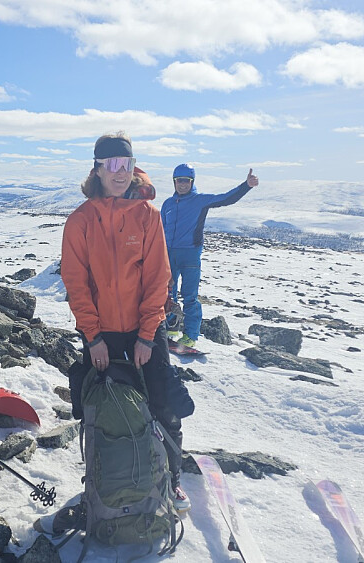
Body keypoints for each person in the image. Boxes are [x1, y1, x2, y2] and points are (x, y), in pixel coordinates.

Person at [61, 132, 190, 512]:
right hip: (101, 333)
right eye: (113, 164)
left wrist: (147, 337)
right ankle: (101, 480)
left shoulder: (148, 216)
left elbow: (157, 279)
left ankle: (171, 479)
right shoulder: (80, 221)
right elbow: (76, 283)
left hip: (144, 329)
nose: (120, 172)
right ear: (97, 169)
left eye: (127, 164)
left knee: (163, 405)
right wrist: (93, 337)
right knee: (98, 407)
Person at [161, 164, 258, 348]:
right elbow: (160, 229)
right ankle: (171, 327)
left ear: (192, 181)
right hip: (168, 255)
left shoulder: (200, 200)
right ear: (174, 182)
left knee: (189, 296)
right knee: (166, 293)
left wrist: (246, 186)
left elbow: (226, 198)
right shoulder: (167, 204)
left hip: (190, 255)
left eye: (186, 180)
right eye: (179, 180)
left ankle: (190, 336)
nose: (182, 184)